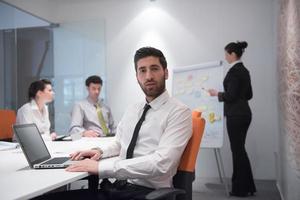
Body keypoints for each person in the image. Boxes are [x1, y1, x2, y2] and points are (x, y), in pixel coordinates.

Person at [35, 47, 192, 200]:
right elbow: (119, 143)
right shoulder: (133, 109)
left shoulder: (179, 112)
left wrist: (101, 168)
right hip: (117, 187)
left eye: (154, 69)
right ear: (137, 76)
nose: (148, 76)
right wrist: (99, 152)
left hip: (145, 192)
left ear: (165, 72)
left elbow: (161, 163)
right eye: (142, 70)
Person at [208, 41, 256, 197]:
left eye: (226, 54)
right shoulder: (245, 71)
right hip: (245, 114)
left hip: (236, 115)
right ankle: (248, 187)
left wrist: (217, 94)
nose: (225, 57)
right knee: (240, 150)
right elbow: (249, 95)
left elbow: (230, 95)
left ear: (232, 54)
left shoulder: (235, 72)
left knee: (238, 152)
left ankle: (240, 190)